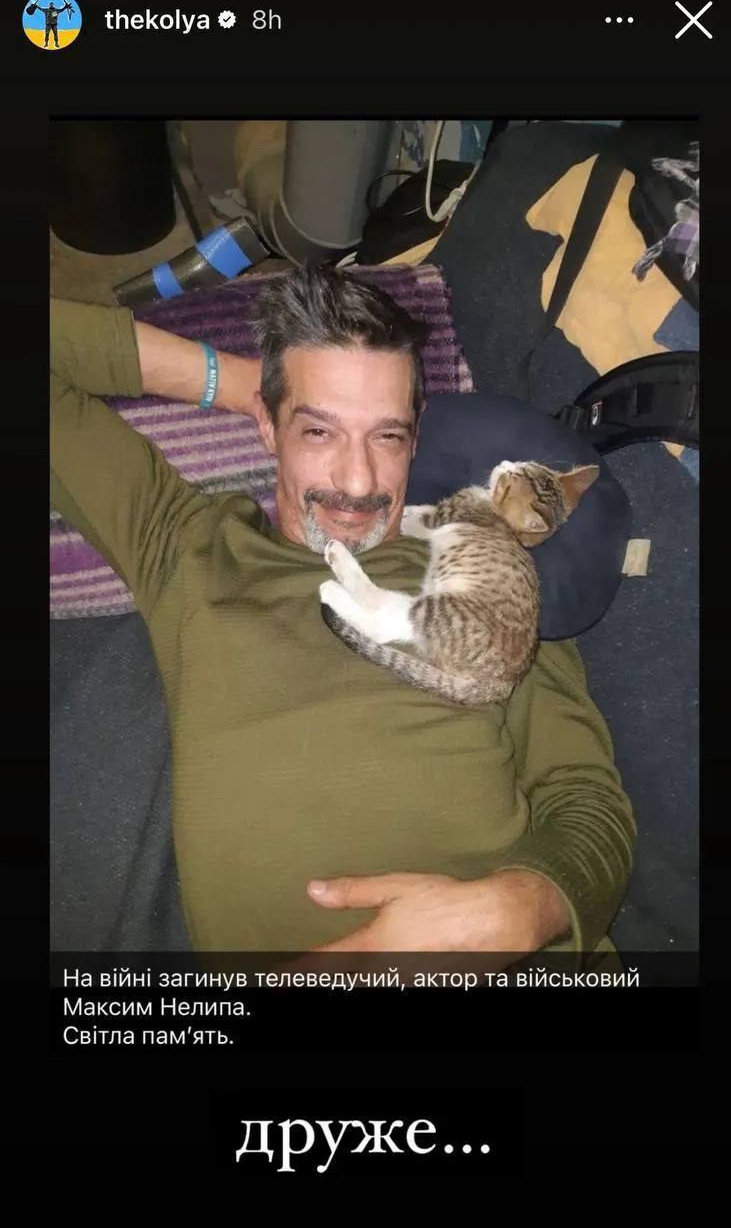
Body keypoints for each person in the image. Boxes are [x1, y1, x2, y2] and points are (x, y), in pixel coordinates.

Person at [50, 263, 635, 961]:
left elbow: (586, 797)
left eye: (386, 436)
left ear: (415, 439)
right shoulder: (186, 545)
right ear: (268, 426)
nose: (358, 482)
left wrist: (522, 907)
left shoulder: (495, 570)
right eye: (319, 433)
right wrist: (238, 384)